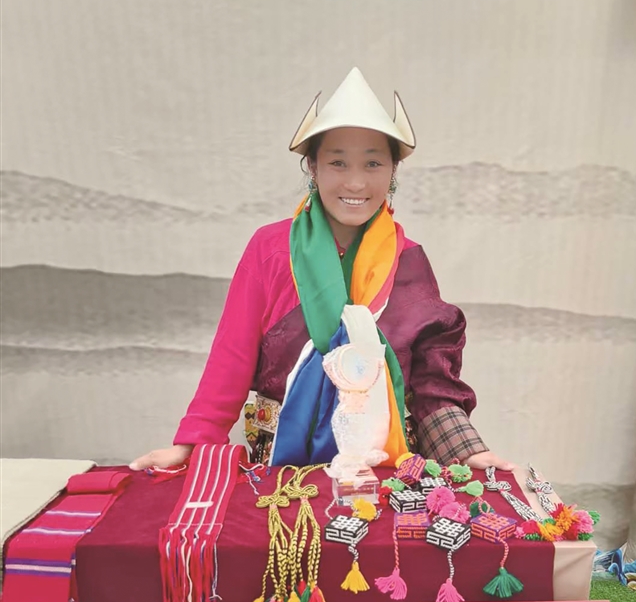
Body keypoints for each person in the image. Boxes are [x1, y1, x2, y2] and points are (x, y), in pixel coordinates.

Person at [130, 68, 514, 473]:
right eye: (337, 163)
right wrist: (193, 444)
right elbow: (233, 355)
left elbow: (431, 380)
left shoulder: (409, 259)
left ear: (393, 171)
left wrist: (467, 451)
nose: (355, 182)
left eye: (373, 163)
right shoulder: (270, 248)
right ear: (312, 166)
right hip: (282, 463)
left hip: (383, 464)